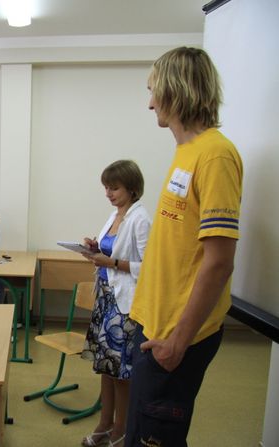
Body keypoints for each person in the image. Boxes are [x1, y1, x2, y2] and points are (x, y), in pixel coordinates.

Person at [125, 47, 243, 446]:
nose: (150, 102)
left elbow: (219, 263)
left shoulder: (215, 155)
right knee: (140, 431)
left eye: (153, 90)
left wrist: (177, 341)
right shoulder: (186, 153)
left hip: (177, 336)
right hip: (155, 324)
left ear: (175, 89)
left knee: (155, 437)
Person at [78, 160, 151, 447]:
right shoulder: (116, 214)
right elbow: (111, 248)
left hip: (126, 305)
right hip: (107, 300)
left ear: (132, 188)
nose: (108, 193)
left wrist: (112, 262)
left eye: (114, 188)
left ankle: (121, 429)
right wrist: (95, 248)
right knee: (106, 369)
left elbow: (148, 267)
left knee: (122, 372)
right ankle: (105, 423)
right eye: (106, 187)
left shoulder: (141, 218)